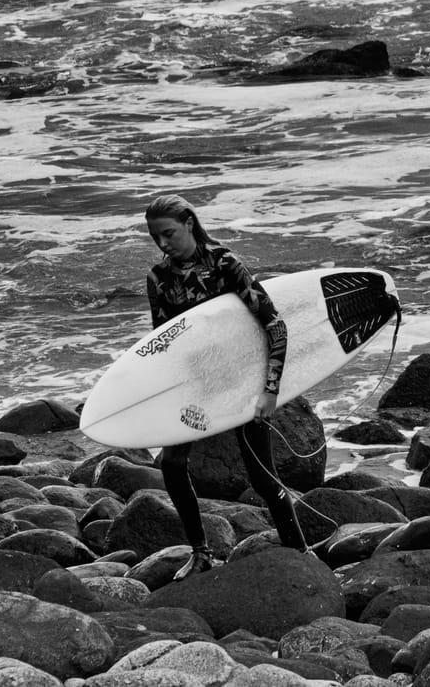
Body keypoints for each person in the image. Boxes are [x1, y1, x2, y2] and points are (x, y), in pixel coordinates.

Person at [143, 194, 307, 580]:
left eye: (169, 234)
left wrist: (270, 390)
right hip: (198, 383)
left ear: (189, 222)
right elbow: (164, 342)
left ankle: (300, 551)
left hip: (242, 380)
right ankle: (201, 553)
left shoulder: (225, 264)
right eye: (156, 238)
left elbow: (275, 326)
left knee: (262, 477)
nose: (164, 244)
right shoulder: (158, 278)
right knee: (173, 462)